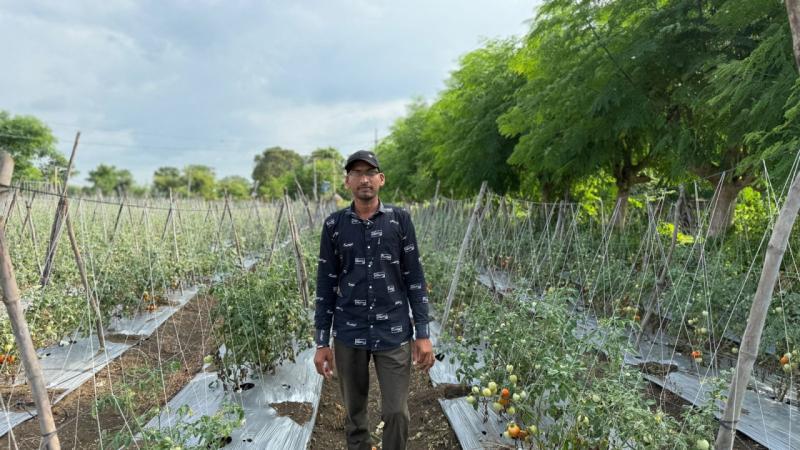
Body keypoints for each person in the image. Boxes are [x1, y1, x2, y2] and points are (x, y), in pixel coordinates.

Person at [313, 150, 435, 450]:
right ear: (347, 182)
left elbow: (414, 277)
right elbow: (326, 284)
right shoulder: (334, 225)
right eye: (356, 173)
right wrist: (321, 342)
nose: (364, 179)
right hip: (349, 332)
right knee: (355, 417)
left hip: (393, 330)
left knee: (396, 412)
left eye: (370, 173)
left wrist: (423, 333)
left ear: (381, 179)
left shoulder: (399, 220)